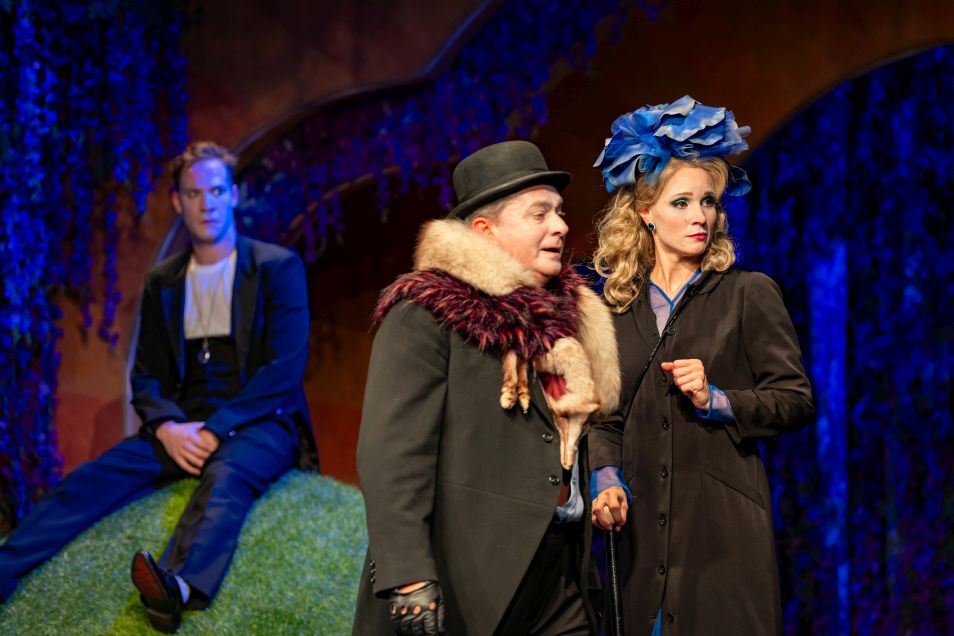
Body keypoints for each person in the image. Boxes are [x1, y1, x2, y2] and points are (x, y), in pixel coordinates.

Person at [0, 141, 318, 633]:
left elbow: (283, 370)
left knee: (226, 478)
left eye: (216, 191)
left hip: (261, 421)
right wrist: (168, 426)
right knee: (94, 478)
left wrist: (216, 430)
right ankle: (5, 569)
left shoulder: (277, 267)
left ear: (233, 195)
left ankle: (177, 587)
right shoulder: (162, 280)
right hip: (182, 423)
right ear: (177, 201)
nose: (206, 204)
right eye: (193, 193)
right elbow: (146, 374)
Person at [353, 140, 621, 635]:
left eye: (559, 212)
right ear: (484, 230)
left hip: (560, 578)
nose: (560, 226)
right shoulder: (428, 315)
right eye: (539, 214)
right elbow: (392, 454)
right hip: (470, 578)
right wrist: (409, 576)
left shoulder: (567, 324)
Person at [588, 96, 815, 635]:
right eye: (682, 202)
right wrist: (605, 480)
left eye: (709, 202)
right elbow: (604, 417)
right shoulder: (615, 309)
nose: (700, 216)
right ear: (645, 213)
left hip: (721, 533)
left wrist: (718, 399)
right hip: (640, 532)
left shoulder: (747, 293)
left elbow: (795, 399)